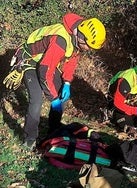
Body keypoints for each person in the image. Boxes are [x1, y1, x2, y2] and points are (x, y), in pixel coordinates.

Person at [3, 13, 106, 150]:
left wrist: (67, 83)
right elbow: (45, 73)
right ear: (81, 37)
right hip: (30, 60)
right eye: (89, 46)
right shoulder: (61, 40)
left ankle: (54, 132)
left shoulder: (77, 37)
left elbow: (72, 61)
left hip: (46, 60)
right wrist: (53, 98)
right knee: (36, 100)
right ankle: (30, 139)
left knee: (61, 96)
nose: (89, 49)